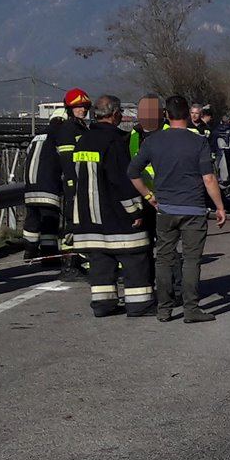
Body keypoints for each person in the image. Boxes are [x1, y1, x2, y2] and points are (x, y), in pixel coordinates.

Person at [129, 94, 226, 322]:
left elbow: (132, 172)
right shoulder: (198, 141)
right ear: (189, 115)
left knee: (164, 259)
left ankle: (164, 309)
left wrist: (149, 196)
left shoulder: (153, 141)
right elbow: (209, 178)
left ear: (166, 115)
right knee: (191, 260)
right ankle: (191, 309)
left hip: (165, 209)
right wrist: (220, 207)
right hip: (193, 209)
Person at [65, 94, 153, 318]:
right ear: (115, 114)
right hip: (116, 217)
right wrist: (136, 209)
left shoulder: (83, 140)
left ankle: (103, 304)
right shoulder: (115, 142)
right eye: (120, 112)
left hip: (88, 217)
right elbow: (122, 181)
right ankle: (139, 304)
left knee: (100, 263)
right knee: (135, 258)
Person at [26, 89, 90, 270]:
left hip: (35, 184)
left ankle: (34, 251)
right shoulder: (67, 130)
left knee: (39, 220)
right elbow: (68, 162)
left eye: (84, 107)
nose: (82, 110)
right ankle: (69, 263)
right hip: (63, 184)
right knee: (65, 222)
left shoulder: (42, 135)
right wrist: (72, 182)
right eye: (78, 107)